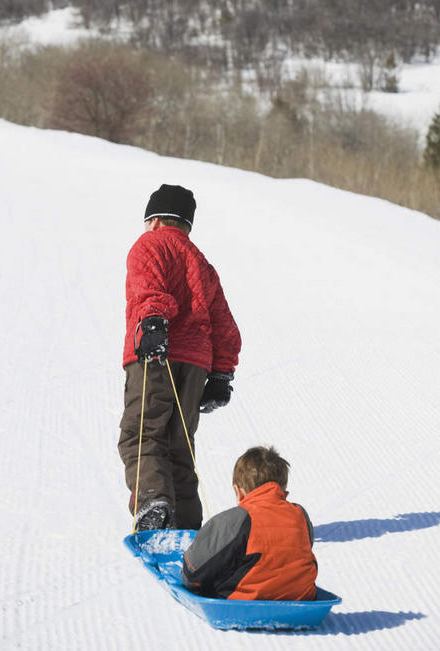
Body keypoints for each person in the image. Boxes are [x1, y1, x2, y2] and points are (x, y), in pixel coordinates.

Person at [118, 184, 241, 532]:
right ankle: (187, 524)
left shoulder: (149, 245)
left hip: (157, 351)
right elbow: (224, 324)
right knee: (179, 443)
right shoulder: (202, 263)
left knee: (143, 433)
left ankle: (153, 505)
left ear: (154, 219)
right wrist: (220, 374)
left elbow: (148, 289)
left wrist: (153, 322)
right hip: (196, 363)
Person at [181, 446, 318, 601]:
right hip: (302, 598)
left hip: (246, 601)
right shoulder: (300, 514)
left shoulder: (238, 519)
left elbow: (192, 573)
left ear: (239, 491)